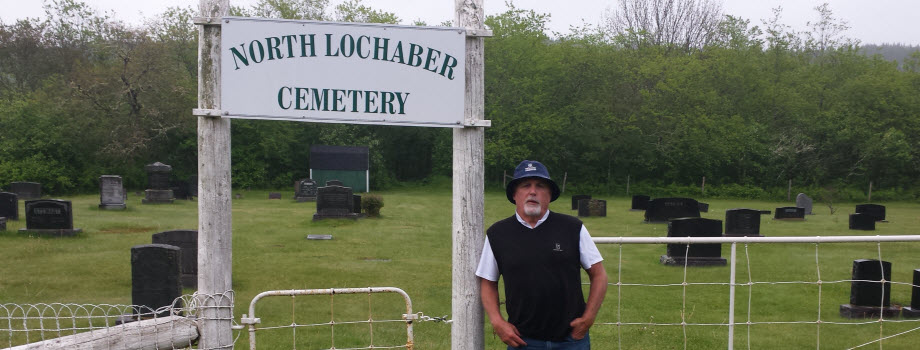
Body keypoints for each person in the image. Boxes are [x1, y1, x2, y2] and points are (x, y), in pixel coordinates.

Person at [476, 160, 608, 349]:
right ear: (515, 194)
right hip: (522, 341)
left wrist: (588, 318)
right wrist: (497, 322)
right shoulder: (498, 234)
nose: (532, 191)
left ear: (549, 195)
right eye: (525, 185)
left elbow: (599, 275)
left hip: (570, 340)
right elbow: (488, 282)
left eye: (540, 186)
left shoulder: (572, 228)